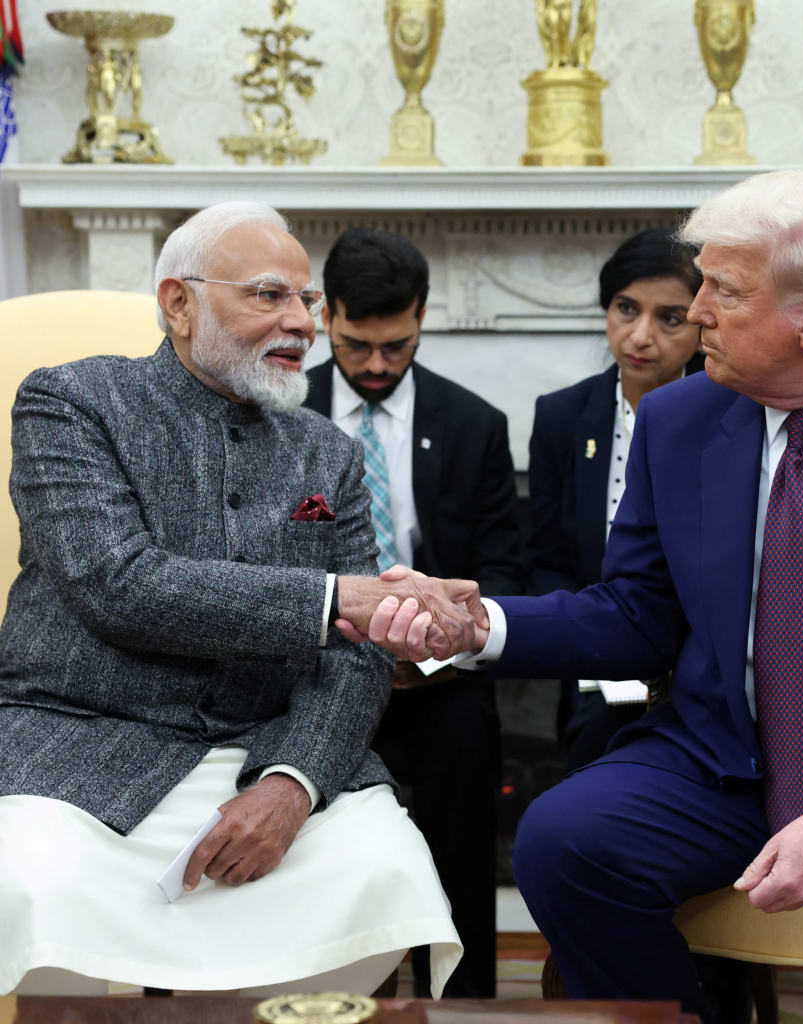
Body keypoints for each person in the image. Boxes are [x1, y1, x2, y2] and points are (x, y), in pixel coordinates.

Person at [350, 170, 803, 1024]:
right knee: (563, 845)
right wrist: (479, 624)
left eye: (724, 290)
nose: (694, 311)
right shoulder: (680, 420)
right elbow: (638, 613)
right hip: (727, 758)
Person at [0, 201, 486, 998]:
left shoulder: (326, 452)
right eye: (268, 295)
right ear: (178, 303)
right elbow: (117, 583)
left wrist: (293, 783)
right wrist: (336, 598)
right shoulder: (73, 403)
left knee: (382, 876)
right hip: (78, 743)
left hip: (266, 745)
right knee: (34, 886)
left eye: (308, 302)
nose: (301, 322)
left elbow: (355, 658)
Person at [305, 226, 522, 998]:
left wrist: (439, 644)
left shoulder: (474, 426)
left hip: (436, 678)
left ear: (422, 317)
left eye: (394, 346)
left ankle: (460, 998)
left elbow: (503, 572)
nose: (373, 365)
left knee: (468, 739)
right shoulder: (280, 414)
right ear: (325, 315)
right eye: (357, 343)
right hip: (309, 667)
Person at [527, 227, 704, 772]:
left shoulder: (727, 413)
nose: (640, 336)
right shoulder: (562, 416)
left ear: (702, 323)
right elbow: (546, 560)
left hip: (699, 653)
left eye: (669, 319)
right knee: (597, 742)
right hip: (595, 650)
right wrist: (591, 646)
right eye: (626, 309)